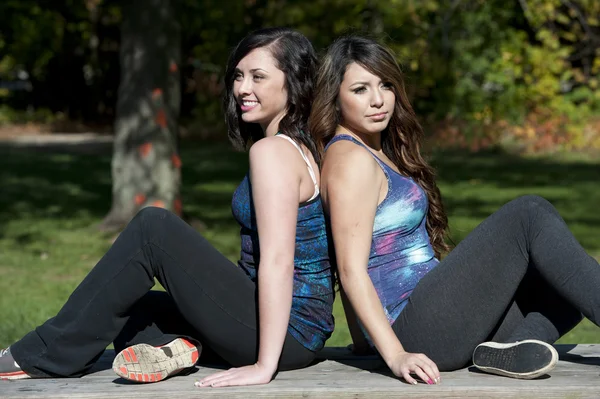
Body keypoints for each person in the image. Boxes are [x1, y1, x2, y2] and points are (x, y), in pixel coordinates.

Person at [0, 27, 335, 388]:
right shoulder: (301, 146)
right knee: (132, 306)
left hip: (285, 335)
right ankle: (174, 348)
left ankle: (40, 355)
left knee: (153, 230)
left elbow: (278, 261)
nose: (242, 88)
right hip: (288, 329)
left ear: (294, 83)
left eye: (258, 77)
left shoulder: (273, 153)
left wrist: (264, 366)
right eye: (238, 76)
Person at [309, 34, 597, 384]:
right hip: (416, 330)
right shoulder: (350, 159)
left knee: (564, 282)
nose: (377, 99)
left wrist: (360, 341)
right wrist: (394, 354)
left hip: (433, 323)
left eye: (385, 84)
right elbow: (350, 268)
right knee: (529, 213)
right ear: (334, 97)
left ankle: (507, 349)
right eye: (360, 89)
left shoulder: (372, 150)